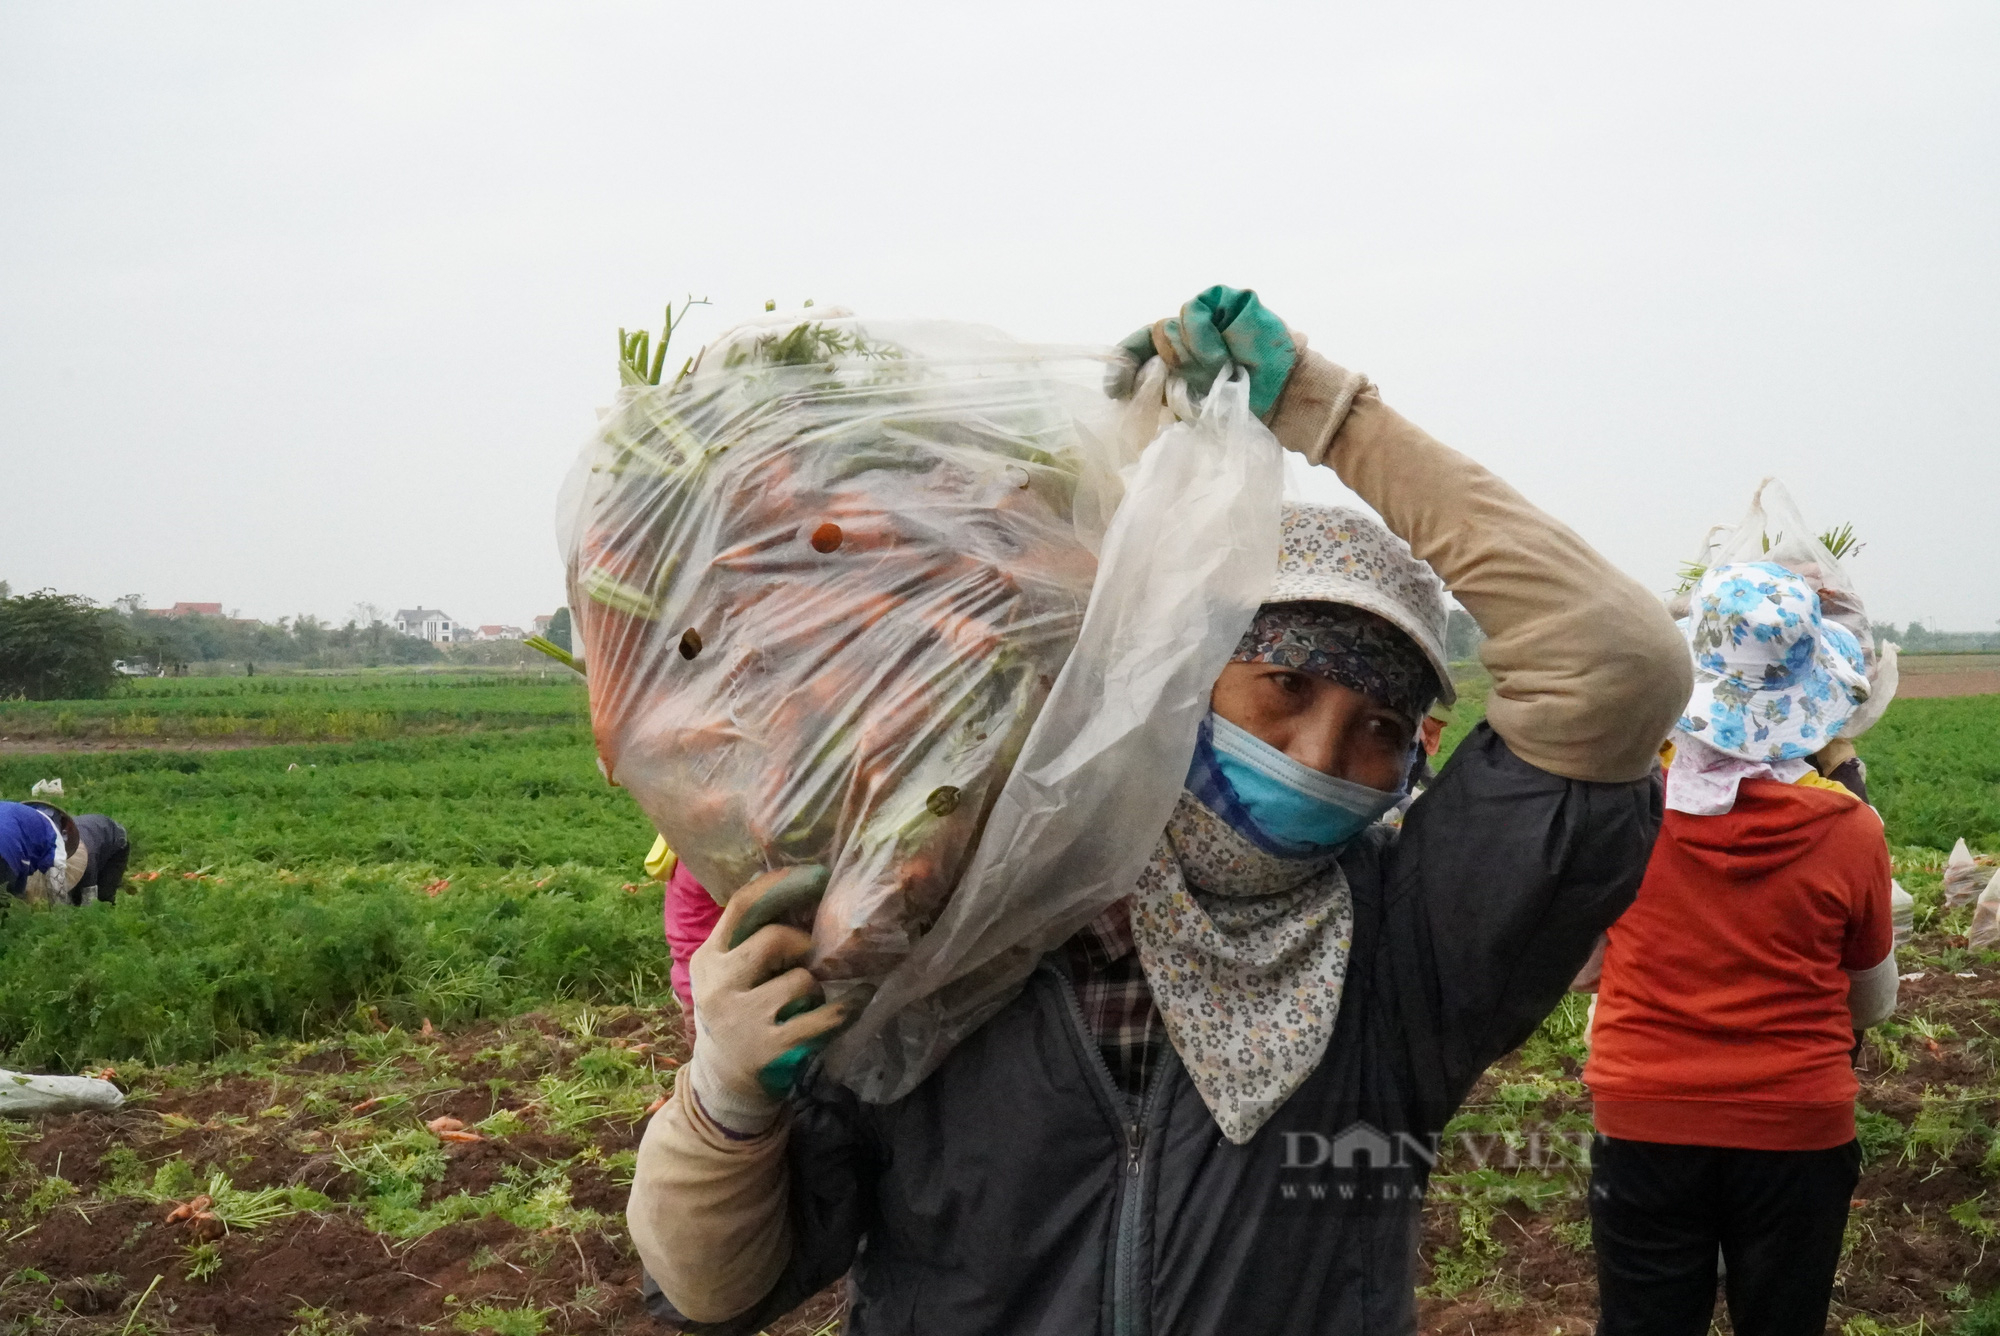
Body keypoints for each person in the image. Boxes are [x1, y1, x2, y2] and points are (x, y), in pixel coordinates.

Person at [626, 286, 1692, 1334]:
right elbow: (716, 1289)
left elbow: (1618, 661)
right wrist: (723, 1100)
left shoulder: (1409, 946)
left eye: (1376, 727)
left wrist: (1330, 414)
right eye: (1282, 686)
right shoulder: (948, 910)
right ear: (1176, 677)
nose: (1318, 755)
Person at [1582, 562, 1895, 1336]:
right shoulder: (1851, 830)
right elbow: (1872, 1000)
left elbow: (1585, 965)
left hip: (1644, 1115)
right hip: (1797, 1127)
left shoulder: (1623, 813)